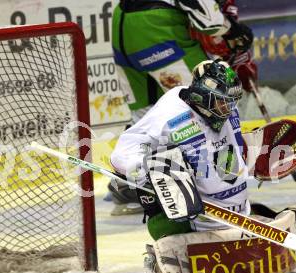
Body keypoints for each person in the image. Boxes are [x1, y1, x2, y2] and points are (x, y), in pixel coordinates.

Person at [110, 59, 296, 273]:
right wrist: (153, 172)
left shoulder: (221, 106)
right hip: (191, 220)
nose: (228, 109)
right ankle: (163, 256)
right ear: (201, 96)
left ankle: (239, 220)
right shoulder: (168, 116)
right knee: (165, 175)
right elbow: (122, 153)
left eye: (232, 102)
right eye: (223, 103)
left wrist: (254, 151)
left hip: (235, 214)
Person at [108, 0, 257, 215]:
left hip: (122, 24)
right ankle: (222, 187)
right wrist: (233, 31)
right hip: (156, 29)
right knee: (203, 102)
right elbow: (207, 19)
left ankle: (128, 189)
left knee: (146, 116)